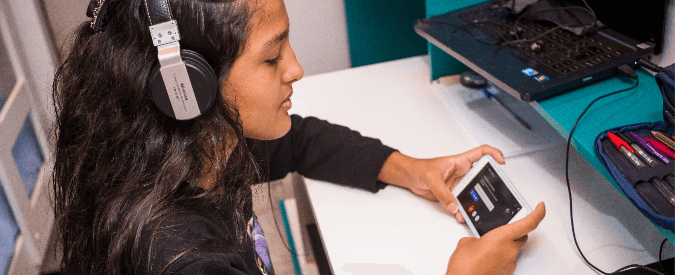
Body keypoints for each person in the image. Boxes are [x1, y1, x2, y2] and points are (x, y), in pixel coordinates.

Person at [51, 0, 546, 274]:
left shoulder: (193, 149)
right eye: (271, 58)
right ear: (188, 88)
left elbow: (298, 142)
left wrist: (411, 170)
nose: (296, 69)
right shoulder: (185, 263)